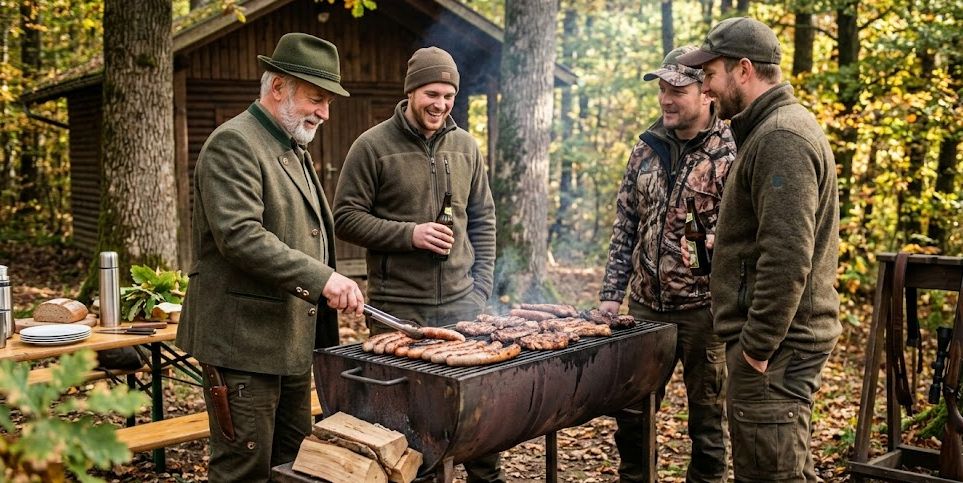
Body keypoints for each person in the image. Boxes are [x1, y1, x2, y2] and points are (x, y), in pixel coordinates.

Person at [176, 33, 365, 482]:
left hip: (289, 341)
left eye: (328, 102)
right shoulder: (234, 143)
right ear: (278, 87)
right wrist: (323, 278)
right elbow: (240, 236)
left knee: (294, 465)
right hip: (243, 343)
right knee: (244, 469)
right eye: (317, 99)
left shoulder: (292, 145)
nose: (324, 112)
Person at [677, 17, 841, 482]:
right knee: (785, 469)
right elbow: (774, 237)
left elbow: (788, 257)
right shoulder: (768, 131)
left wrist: (757, 348)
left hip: (777, 348)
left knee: (770, 475)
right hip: (776, 345)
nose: (705, 89)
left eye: (710, 74)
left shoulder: (780, 138)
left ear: (744, 70)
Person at [333, 46, 500, 483]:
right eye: (432, 94)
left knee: (479, 422)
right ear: (410, 92)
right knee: (406, 427)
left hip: (463, 308)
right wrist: (410, 234)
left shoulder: (466, 147)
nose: (440, 105)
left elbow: (483, 220)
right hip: (397, 313)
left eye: (448, 96)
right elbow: (344, 218)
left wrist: (481, 289)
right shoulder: (372, 146)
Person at [599, 45, 736, 483]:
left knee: (707, 425)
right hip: (645, 308)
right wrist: (611, 295)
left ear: (706, 93)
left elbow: (744, 236)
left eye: (677, 90)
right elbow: (625, 223)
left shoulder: (731, 151)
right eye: (662, 89)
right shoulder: (646, 148)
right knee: (632, 416)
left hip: (703, 312)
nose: (665, 99)